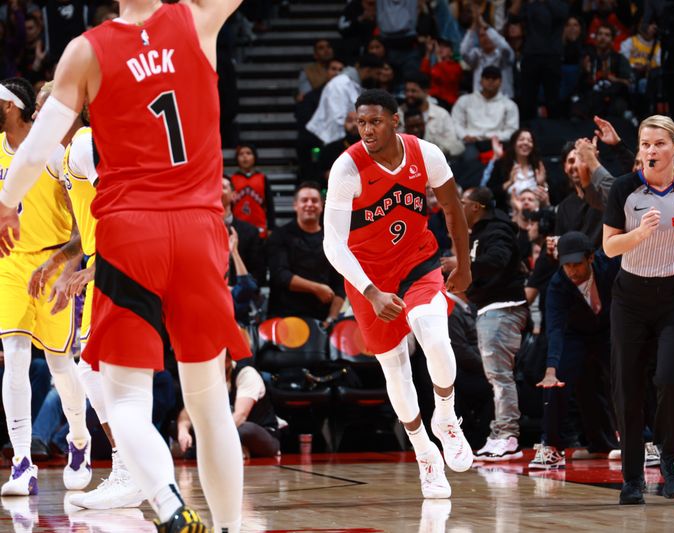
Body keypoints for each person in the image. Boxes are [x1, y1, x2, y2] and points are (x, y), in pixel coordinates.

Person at [0, 2, 251, 531]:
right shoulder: (198, 19)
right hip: (198, 229)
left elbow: (38, 143)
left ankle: (166, 502)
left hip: (130, 233)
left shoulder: (85, 51)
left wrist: (7, 201)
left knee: (125, 400)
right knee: (208, 407)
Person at [323, 89, 473, 499]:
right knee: (395, 367)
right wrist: (371, 293)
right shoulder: (346, 168)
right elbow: (332, 245)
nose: (367, 130)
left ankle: (445, 416)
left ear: (395, 121)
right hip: (366, 276)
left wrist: (465, 262)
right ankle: (425, 453)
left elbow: (453, 210)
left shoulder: (426, 153)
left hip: (416, 261)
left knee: (435, 336)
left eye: (374, 121)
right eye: (361, 123)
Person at [28, 85, 143, 510]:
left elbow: (124, 205)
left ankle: (130, 468)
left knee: (101, 371)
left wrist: (96, 268)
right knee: (96, 371)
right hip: (105, 263)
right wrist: (58, 263)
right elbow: (85, 228)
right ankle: (132, 467)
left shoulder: (84, 144)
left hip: (119, 264)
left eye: (43, 107)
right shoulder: (64, 154)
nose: (36, 114)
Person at [603, 115, 674, 505]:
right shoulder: (624, 190)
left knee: (670, 380)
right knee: (628, 388)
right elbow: (609, 247)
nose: (651, 151)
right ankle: (632, 477)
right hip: (630, 299)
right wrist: (639, 234)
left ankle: (671, 460)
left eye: (658, 144)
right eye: (645, 144)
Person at [0, 78, 92, 497]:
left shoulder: (60, 157)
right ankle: (22, 461)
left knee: (59, 364)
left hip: (54, 261)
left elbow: (83, 232)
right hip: (10, 266)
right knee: (15, 359)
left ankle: (78, 438)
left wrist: (61, 262)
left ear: (12, 107)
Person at [532, 231, 620, 468]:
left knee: (625, 377)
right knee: (556, 379)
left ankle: (641, 441)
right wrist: (551, 368)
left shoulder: (610, 265)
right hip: (574, 334)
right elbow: (555, 330)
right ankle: (550, 446)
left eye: (577, 264)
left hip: (609, 329)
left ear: (591, 258)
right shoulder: (558, 285)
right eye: (566, 265)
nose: (571, 271)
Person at [456, 186, 527, 462]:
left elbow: (498, 259)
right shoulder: (482, 232)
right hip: (492, 308)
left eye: (463, 202)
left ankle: (508, 436)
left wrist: (462, 266)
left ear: (476, 207)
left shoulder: (496, 230)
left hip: (503, 308)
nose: (459, 206)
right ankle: (499, 434)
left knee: (499, 376)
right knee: (496, 376)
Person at [267, 182, 345, 324]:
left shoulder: (332, 239)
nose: (309, 204)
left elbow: (340, 286)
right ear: (295, 205)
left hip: (321, 320)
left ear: (322, 206)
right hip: (285, 318)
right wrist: (316, 288)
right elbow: (280, 275)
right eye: (304, 200)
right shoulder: (280, 235)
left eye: (314, 201)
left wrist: (331, 318)